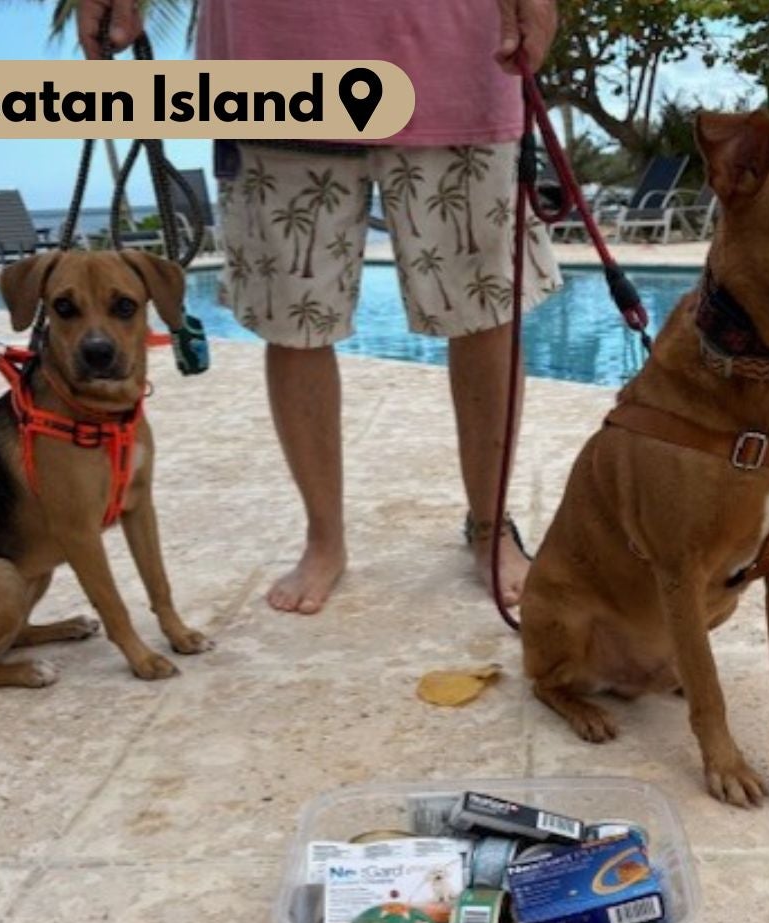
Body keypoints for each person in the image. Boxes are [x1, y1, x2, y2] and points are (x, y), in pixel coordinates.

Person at [78, 0, 560, 615]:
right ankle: (324, 537)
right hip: (273, 48)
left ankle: (492, 528)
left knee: (485, 312)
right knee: (295, 322)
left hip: (458, 46)